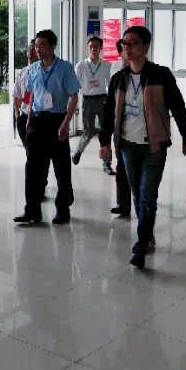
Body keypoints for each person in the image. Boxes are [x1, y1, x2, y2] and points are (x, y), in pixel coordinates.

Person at [99, 26, 186, 269]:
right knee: (137, 194)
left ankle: (141, 244)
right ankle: (147, 234)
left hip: (154, 145)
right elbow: (109, 113)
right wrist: (104, 142)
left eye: (133, 43)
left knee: (148, 196)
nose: (127, 48)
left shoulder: (160, 75)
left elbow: (177, 106)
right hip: (127, 146)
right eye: (124, 44)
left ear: (145, 47)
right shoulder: (118, 79)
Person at [14, 29, 80, 226]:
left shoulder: (65, 68)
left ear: (52, 46)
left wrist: (66, 123)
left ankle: (63, 209)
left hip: (57, 120)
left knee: (61, 168)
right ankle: (32, 210)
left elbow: (74, 97)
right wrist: (29, 118)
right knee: (32, 167)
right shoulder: (33, 69)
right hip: (37, 120)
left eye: (42, 45)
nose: (38, 49)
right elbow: (33, 94)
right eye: (36, 45)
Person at [73, 36, 113, 174]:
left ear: (100, 48)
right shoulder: (81, 66)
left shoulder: (106, 66)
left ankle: (107, 163)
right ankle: (78, 151)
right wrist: (75, 105)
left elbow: (111, 85)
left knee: (105, 132)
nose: (93, 49)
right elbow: (74, 87)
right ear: (87, 48)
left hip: (103, 100)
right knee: (88, 131)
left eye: (96, 46)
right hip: (87, 101)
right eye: (91, 46)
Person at [102, 39, 132, 219]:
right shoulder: (116, 72)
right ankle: (123, 204)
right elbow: (110, 105)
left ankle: (143, 200)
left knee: (139, 171)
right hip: (120, 126)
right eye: (124, 49)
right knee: (122, 167)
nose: (127, 52)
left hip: (142, 131)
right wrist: (104, 140)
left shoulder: (151, 74)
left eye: (131, 47)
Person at [12, 39, 37, 148]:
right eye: (28, 50)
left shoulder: (45, 72)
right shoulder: (23, 72)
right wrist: (17, 114)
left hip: (38, 118)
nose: (30, 52)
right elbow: (16, 93)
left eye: (33, 50)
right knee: (28, 150)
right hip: (24, 116)